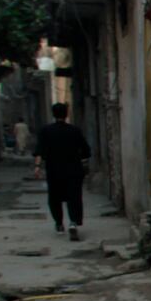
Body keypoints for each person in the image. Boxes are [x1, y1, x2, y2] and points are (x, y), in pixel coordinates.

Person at [33, 103, 91, 241]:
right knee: (74, 197)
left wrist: (37, 167)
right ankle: (73, 222)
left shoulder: (45, 131)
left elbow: (40, 151)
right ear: (66, 114)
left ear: (53, 114)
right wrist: (81, 160)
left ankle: (59, 223)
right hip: (73, 169)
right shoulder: (75, 131)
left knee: (54, 197)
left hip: (54, 170)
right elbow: (86, 151)